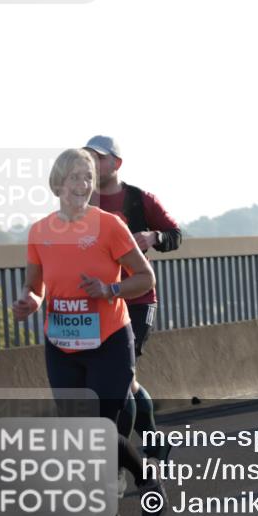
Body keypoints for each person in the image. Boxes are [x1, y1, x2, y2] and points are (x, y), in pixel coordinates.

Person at [11, 148, 166, 516]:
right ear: (57, 183)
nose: (82, 185)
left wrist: (111, 289)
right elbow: (36, 285)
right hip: (61, 343)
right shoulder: (39, 231)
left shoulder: (110, 226)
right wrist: (29, 301)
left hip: (110, 340)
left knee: (99, 432)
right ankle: (137, 487)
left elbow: (144, 278)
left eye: (87, 178)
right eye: (74, 177)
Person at [84, 136, 181, 466]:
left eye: (98, 158)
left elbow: (175, 235)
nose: (92, 163)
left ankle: (118, 459)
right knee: (126, 380)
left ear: (116, 164)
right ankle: (154, 444)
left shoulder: (140, 199)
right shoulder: (80, 201)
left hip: (137, 298)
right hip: (97, 302)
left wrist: (154, 237)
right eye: (87, 157)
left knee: (120, 378)